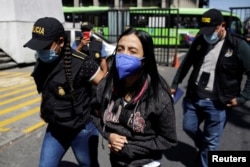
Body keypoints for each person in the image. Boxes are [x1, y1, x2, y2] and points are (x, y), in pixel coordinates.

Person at [170, 8, 250, 167]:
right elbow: (185, 64)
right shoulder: (201, 40)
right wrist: (174, 84)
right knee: (188, 127)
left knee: (211, 143)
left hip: (219, 103)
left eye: (212, 30)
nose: (208, 35)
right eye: (205, 31)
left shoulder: (238, 45)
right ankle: (203, 148)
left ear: (222, 26)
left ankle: (204, 159)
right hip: (194, 98)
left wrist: (242, 98)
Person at [23, 17, 105, 167]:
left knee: (88, 164)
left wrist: (100, 113)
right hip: (56, 127)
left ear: (61, 42)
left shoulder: (82, 63)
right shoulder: (42, 63)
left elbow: (106, 87)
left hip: (82, 128)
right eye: (38, 47)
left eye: (45, 46)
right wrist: (45, 108)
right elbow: (46, 89)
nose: (40, 51)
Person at [91, 28, 177, 167]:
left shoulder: (160, 97)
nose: (124, 55)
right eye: (120, 49)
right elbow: (94, 113)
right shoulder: (106, 86)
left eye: (132, 51)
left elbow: (168, 139)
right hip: (116, 160)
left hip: (146, 163)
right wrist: (110, 135)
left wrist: (130, 149)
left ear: (144, 60)